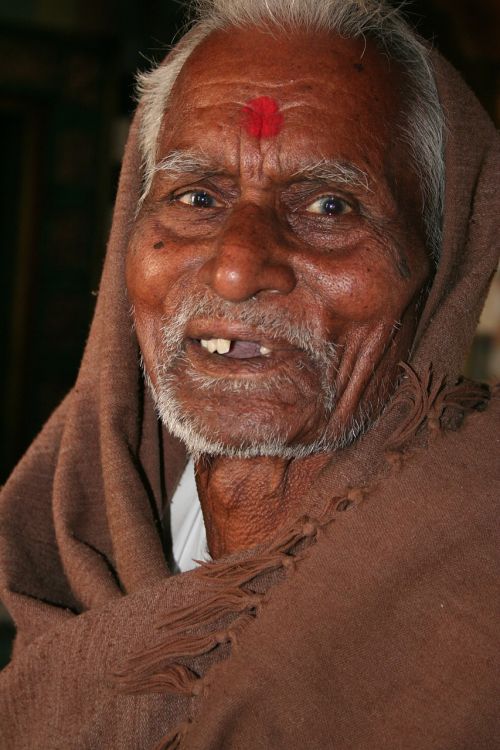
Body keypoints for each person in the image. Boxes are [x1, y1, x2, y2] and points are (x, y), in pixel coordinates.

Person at [0, 1, 498, 748]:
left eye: (330, 206)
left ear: (443, 257)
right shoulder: (79, 519)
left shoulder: (477, 564)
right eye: (196, 197)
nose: (236, 269)